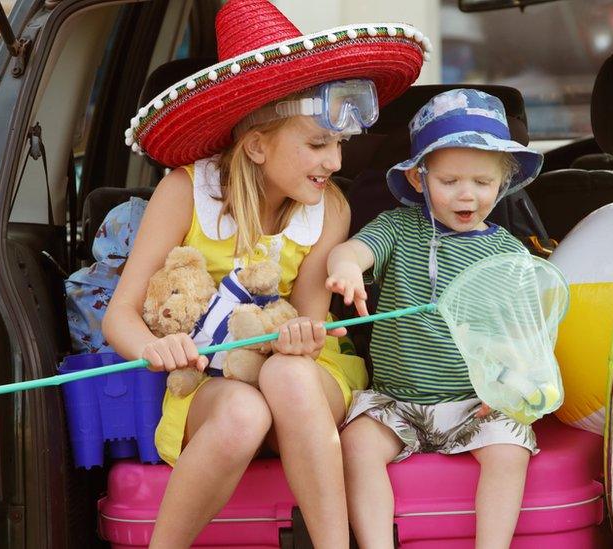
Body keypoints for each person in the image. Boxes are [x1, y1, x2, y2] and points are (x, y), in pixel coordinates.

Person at [102, 1, 427, 546]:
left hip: (303, 380)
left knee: (286, 375)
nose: (335, 163)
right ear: (256, 144)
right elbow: (121, 315)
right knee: (242, 414)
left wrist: (302, 335)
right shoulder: (186, 191)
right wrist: (154, 349)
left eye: (339, 145)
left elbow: (308, 323)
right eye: (318, 144)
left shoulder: (331, 210)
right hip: (211, 380)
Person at [325, 88, 545, 549]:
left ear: (502, 184)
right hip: (395, 399)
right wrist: (346, 268)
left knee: (510, 448)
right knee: (357, 446)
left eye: (483, 184)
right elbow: (353, 249)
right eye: (450, 181)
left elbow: (523, 335)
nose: (467, 195)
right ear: (419, 178)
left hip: (474, 402)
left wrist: (509, 385)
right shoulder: (398, 228)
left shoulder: (508, 253)